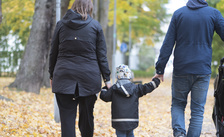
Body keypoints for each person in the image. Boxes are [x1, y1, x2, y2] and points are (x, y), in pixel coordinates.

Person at [153, 0, 224, 137]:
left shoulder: (179, 14)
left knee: (178, 104)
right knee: (197, 111)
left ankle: (179, 134)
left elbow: (168, 43)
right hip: (202, 69)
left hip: (181, 69)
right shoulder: (213, 14)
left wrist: (160, 69)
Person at [48, 0, 112, 136]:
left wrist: (52, 75)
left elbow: (53, 52)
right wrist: (107, 79)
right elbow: (102, 56)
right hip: (89, 78)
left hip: (64, 76)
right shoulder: (95, 26)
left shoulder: (61, 25)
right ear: (89, 7)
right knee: (87, 117)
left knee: (67, 121)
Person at [100, 64, 161, 137]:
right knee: (130, 134)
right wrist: (156, 81)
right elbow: (147, 88)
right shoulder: (136, 88)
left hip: (118, 121)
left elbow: (104, 97)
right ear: (129, 76)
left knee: (120, 134)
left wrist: (105, 88)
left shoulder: (114, 89)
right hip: (132, 120)